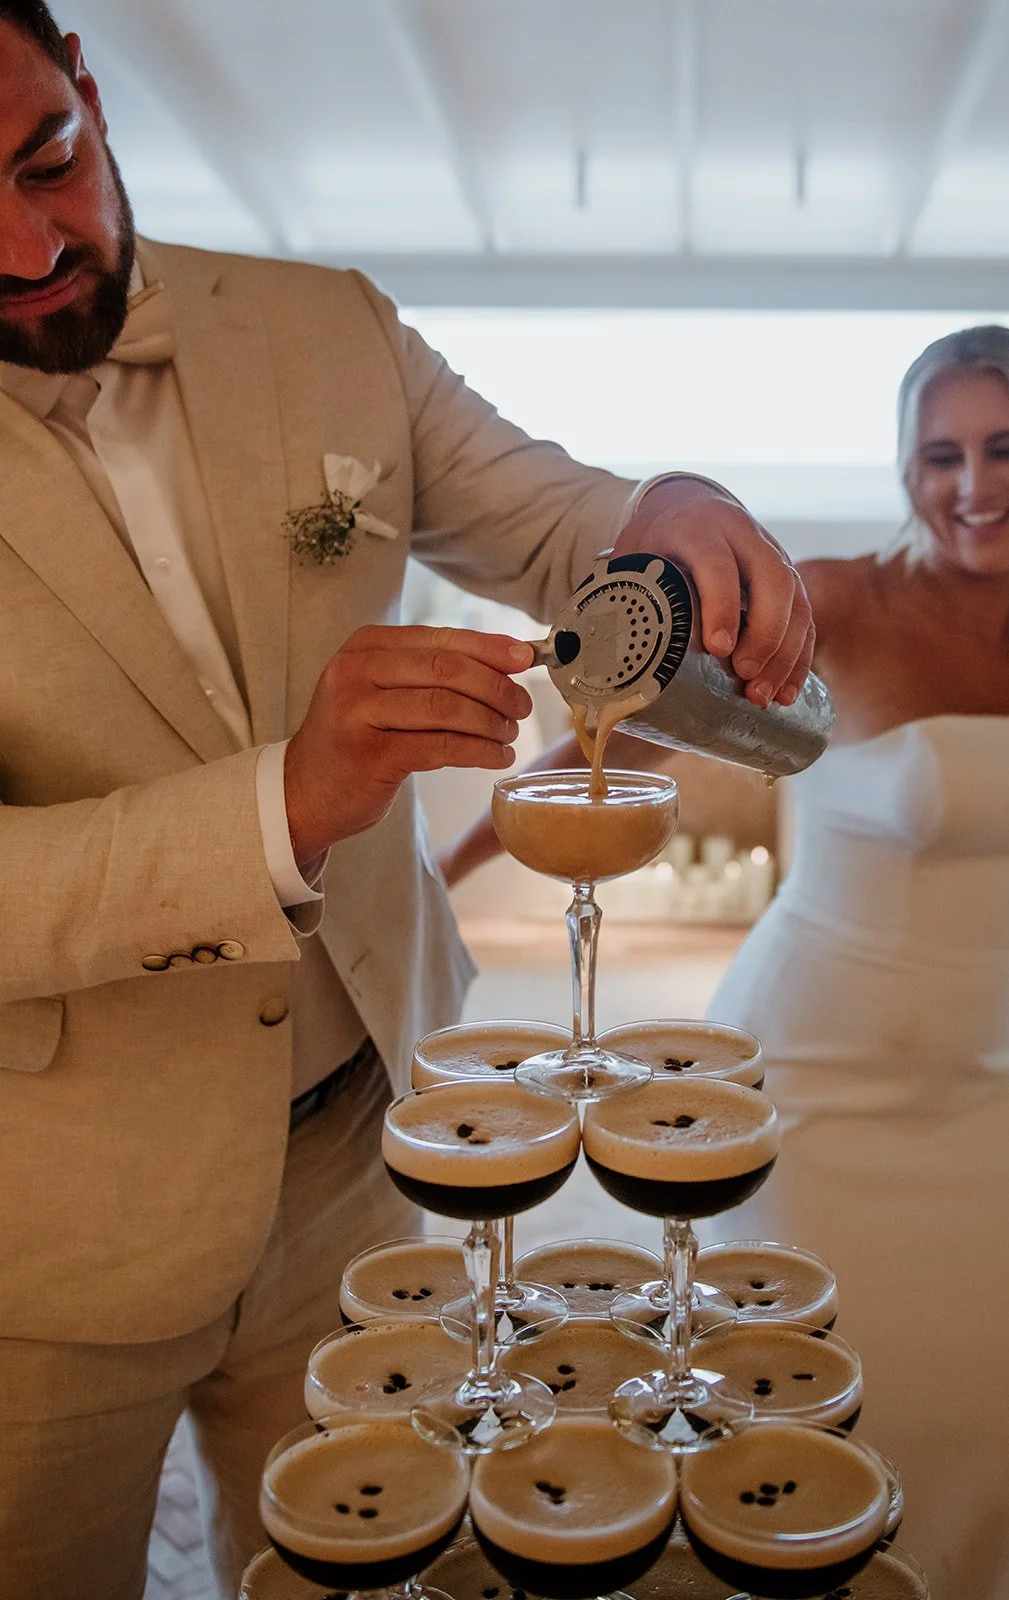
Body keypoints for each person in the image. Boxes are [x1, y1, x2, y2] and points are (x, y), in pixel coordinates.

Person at [0, 8, 815, 1598]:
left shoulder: (322, 326)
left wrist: (672, 507)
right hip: (49, 1225)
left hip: (379, 1149)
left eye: (50, 161)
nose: (28, 247)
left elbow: (548, 510)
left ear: (93, 90)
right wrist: (282, 803)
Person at [442, 325, 1009, 1600]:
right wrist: (447, 869)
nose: (974, 484)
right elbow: (631, 728)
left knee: (997, 1394)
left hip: (982, 1096)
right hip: (814, 1077)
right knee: (804, 1409)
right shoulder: (838, 602)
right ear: (904, 469)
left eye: (1005, 446)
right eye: (940, 453)